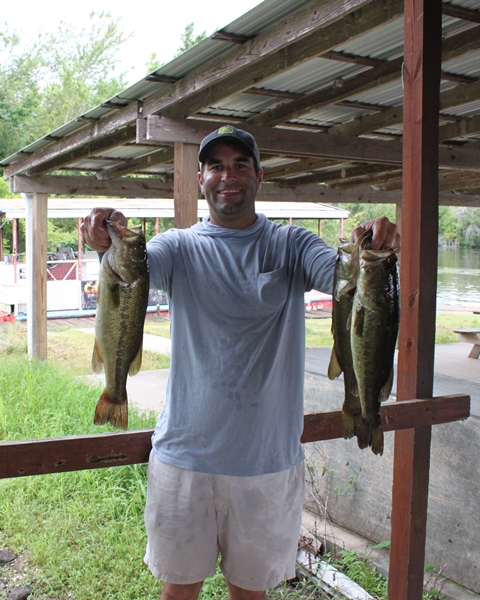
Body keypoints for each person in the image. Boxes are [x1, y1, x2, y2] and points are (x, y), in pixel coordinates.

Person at [82, 125, 399, 600]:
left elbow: (345, 279)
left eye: (239, 165)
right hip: (183, 458)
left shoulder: (292, 245)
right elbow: (133, 265)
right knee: (176, 593)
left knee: (251, 594)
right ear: (200, 180)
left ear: (258, 175)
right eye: (216, 166)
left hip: (267, 464)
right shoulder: (177, 247)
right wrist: (104, 234)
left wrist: (377, 248)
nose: (227, 176)